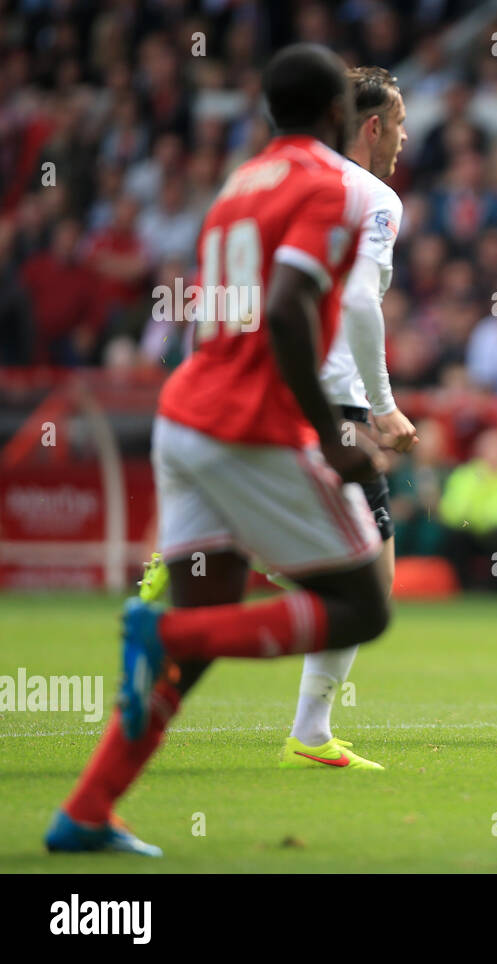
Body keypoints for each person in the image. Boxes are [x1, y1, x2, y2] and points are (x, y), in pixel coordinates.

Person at [46, 44, 390, 857]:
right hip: (248, 429)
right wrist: (337, 434)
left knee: (210, 616)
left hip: (186, 418)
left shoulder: (237, 186)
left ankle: (86, 811)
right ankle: (167, 635)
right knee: (364, 602)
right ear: (338, 112)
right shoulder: (333, 187)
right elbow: (287, 309)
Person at [283, 65, 417, 770]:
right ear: (371, 127)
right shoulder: (373, 196)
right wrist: (385, 407)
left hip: (266, 384)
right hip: (333, 397)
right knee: (371, 574)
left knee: (332, 552)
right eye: (397, 122)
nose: (404, 136)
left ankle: (212, 553)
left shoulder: (285, 181)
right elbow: (362, 304)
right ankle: (309, 733)